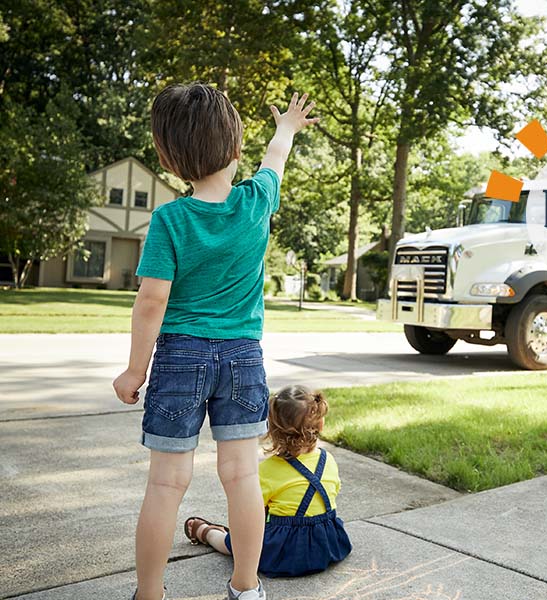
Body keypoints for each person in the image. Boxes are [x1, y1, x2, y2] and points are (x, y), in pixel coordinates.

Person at [112, 84, 318, 600]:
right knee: (242, 477)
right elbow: (277, 158)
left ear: (169, 157)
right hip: (243, 356)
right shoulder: (256, 202)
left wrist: (135, 370)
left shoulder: (170, 220)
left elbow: (151, 302)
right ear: (234, 146)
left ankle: (150, 593)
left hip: (181, 355)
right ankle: (247, 586)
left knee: (165, 485)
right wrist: (286, 127)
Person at [183, 385, 352, 577]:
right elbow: (333, 491)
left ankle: (207, 533)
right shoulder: (327, 460)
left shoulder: (267, 470)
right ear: (320, 424)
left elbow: (251, 512)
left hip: (285, 552)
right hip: (326, 544)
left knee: (236, 543)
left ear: (272, 429)